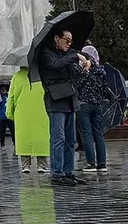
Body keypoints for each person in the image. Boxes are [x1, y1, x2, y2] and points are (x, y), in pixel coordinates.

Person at [39, 28, 91, 186]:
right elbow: (56, 65)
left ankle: (69, 172)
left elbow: (79, 62)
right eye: (66, 40)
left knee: (70, 140)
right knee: (58, 138)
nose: (69, 43)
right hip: (56, 101)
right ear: (57, 38)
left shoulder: (68, 53)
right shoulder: (46, 54)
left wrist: (85, 63)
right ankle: (57, 173)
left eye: (71, 41)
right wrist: (75, 57)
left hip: (70, 100)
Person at [75, 45, 112, 173]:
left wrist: (84, 73)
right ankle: (102, 164)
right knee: (99, 134)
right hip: (97, 105)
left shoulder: (82, 69)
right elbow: (105, 88)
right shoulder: (101, 70)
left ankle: (91, 163)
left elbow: (77, 86)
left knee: (86, 134)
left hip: (83, 105)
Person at [6, 67, 49, 174]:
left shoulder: (17, 76)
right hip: (41, 111)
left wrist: (9, 114)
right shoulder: (42, 74)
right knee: (41, 137)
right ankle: (42, 165)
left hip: (22, 111)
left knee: (24, 137)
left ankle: (26, 165)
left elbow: (11, 96)